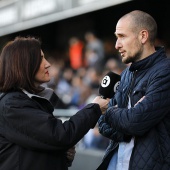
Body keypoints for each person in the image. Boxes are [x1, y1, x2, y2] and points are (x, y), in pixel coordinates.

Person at [0, 36, 110, 170]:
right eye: (40, 59)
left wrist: (60, 154)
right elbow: (59, 135)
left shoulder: (25, 100)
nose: (47, 64)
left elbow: (37, 147)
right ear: (24, 64)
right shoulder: (12, 105)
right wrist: (95, 108)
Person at [97, 10, 170, 170]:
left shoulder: (166, 71)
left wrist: (109, 112)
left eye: (122, 36)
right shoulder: (125, 75)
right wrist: (126, 127)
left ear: (143, 36)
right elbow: (102, 124)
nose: (116, 45)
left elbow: (135, 122)